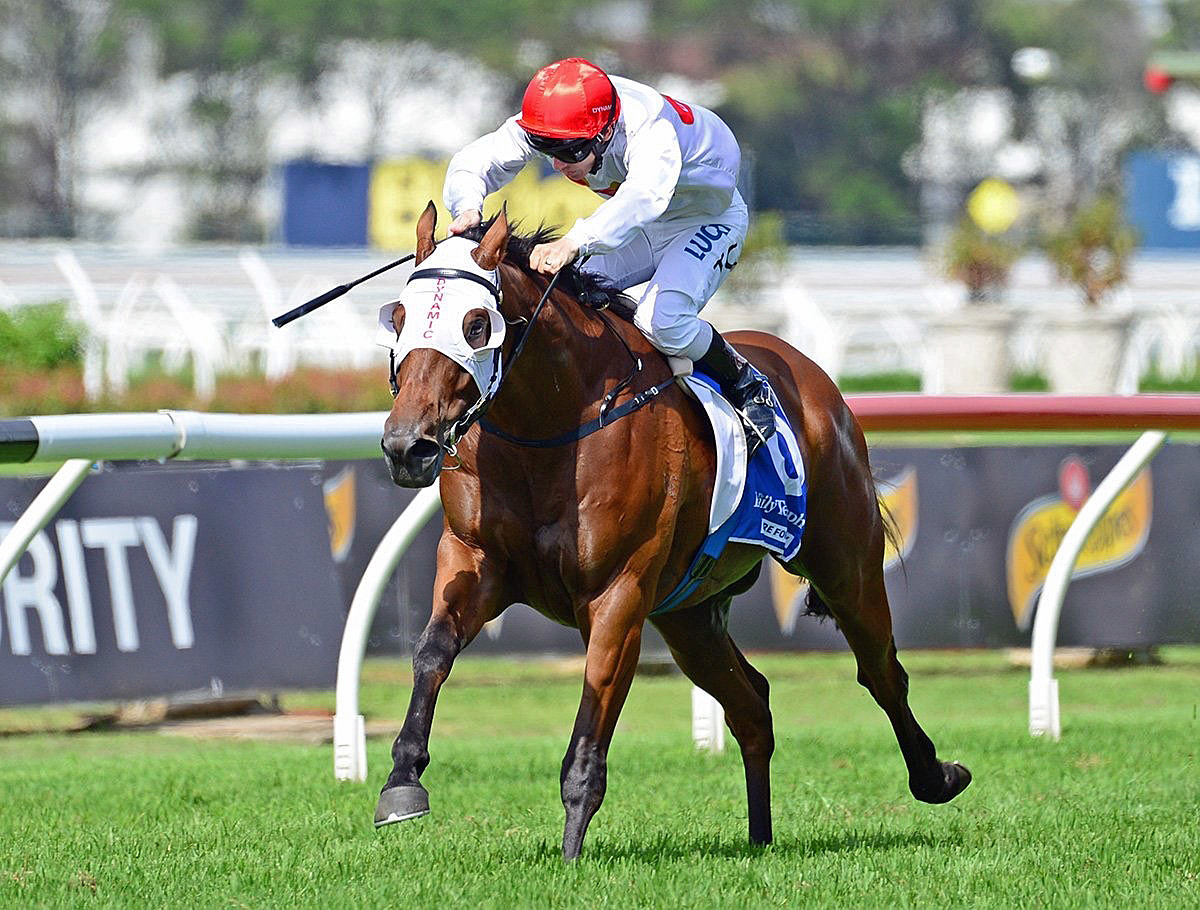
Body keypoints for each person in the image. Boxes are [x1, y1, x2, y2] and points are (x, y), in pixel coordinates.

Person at [443, 56, 776, 453]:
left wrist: (574, 241)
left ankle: (745, 383)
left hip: (706, 221)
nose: (557, 163)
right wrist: (467, 206)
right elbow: (476, 161)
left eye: (568, 151)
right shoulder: (561, 117)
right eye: (545, 148)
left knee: (662, 322)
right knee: (555, 293)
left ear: (604, 133)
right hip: (643, 225)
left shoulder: (649, 130)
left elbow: (644, 197)